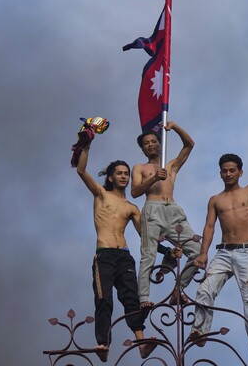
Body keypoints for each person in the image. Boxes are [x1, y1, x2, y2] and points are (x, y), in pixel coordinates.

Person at [188, 142, 248, 352]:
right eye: (224, 171)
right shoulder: (216, 200)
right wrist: (203, 253)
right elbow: (209, 226)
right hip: (222, 252)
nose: (228, 174)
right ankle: (200, 331)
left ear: (240, 172)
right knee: (205, 288)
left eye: (232, 170)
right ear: (220, 174)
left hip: (245, 251)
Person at [76, 141, 156, 362]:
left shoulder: (132, 207)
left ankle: (141, 343)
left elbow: (145, 237)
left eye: (126, 174)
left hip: (124, 256)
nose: (124, 177)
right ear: (111, 177)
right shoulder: (101, 194)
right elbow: (81, 171)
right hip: (104, 255)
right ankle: (103, 344)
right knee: (104, 299)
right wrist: (88, 145)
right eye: (119, 173)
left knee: (131, 298)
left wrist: (167, 249)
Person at [132, 121, 201, 308]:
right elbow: (135, 192)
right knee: (148, 255)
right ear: (143, 150)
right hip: (152, 209)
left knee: (197, 251)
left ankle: (179, 289)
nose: (151, 144)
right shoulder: (139, 168)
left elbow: (189, 145)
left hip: (173, 210)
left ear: (160, 144)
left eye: (154, 141)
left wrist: (175, 126)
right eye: (146, 143)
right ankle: (143, 298)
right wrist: (154, 178)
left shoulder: (171, 166)